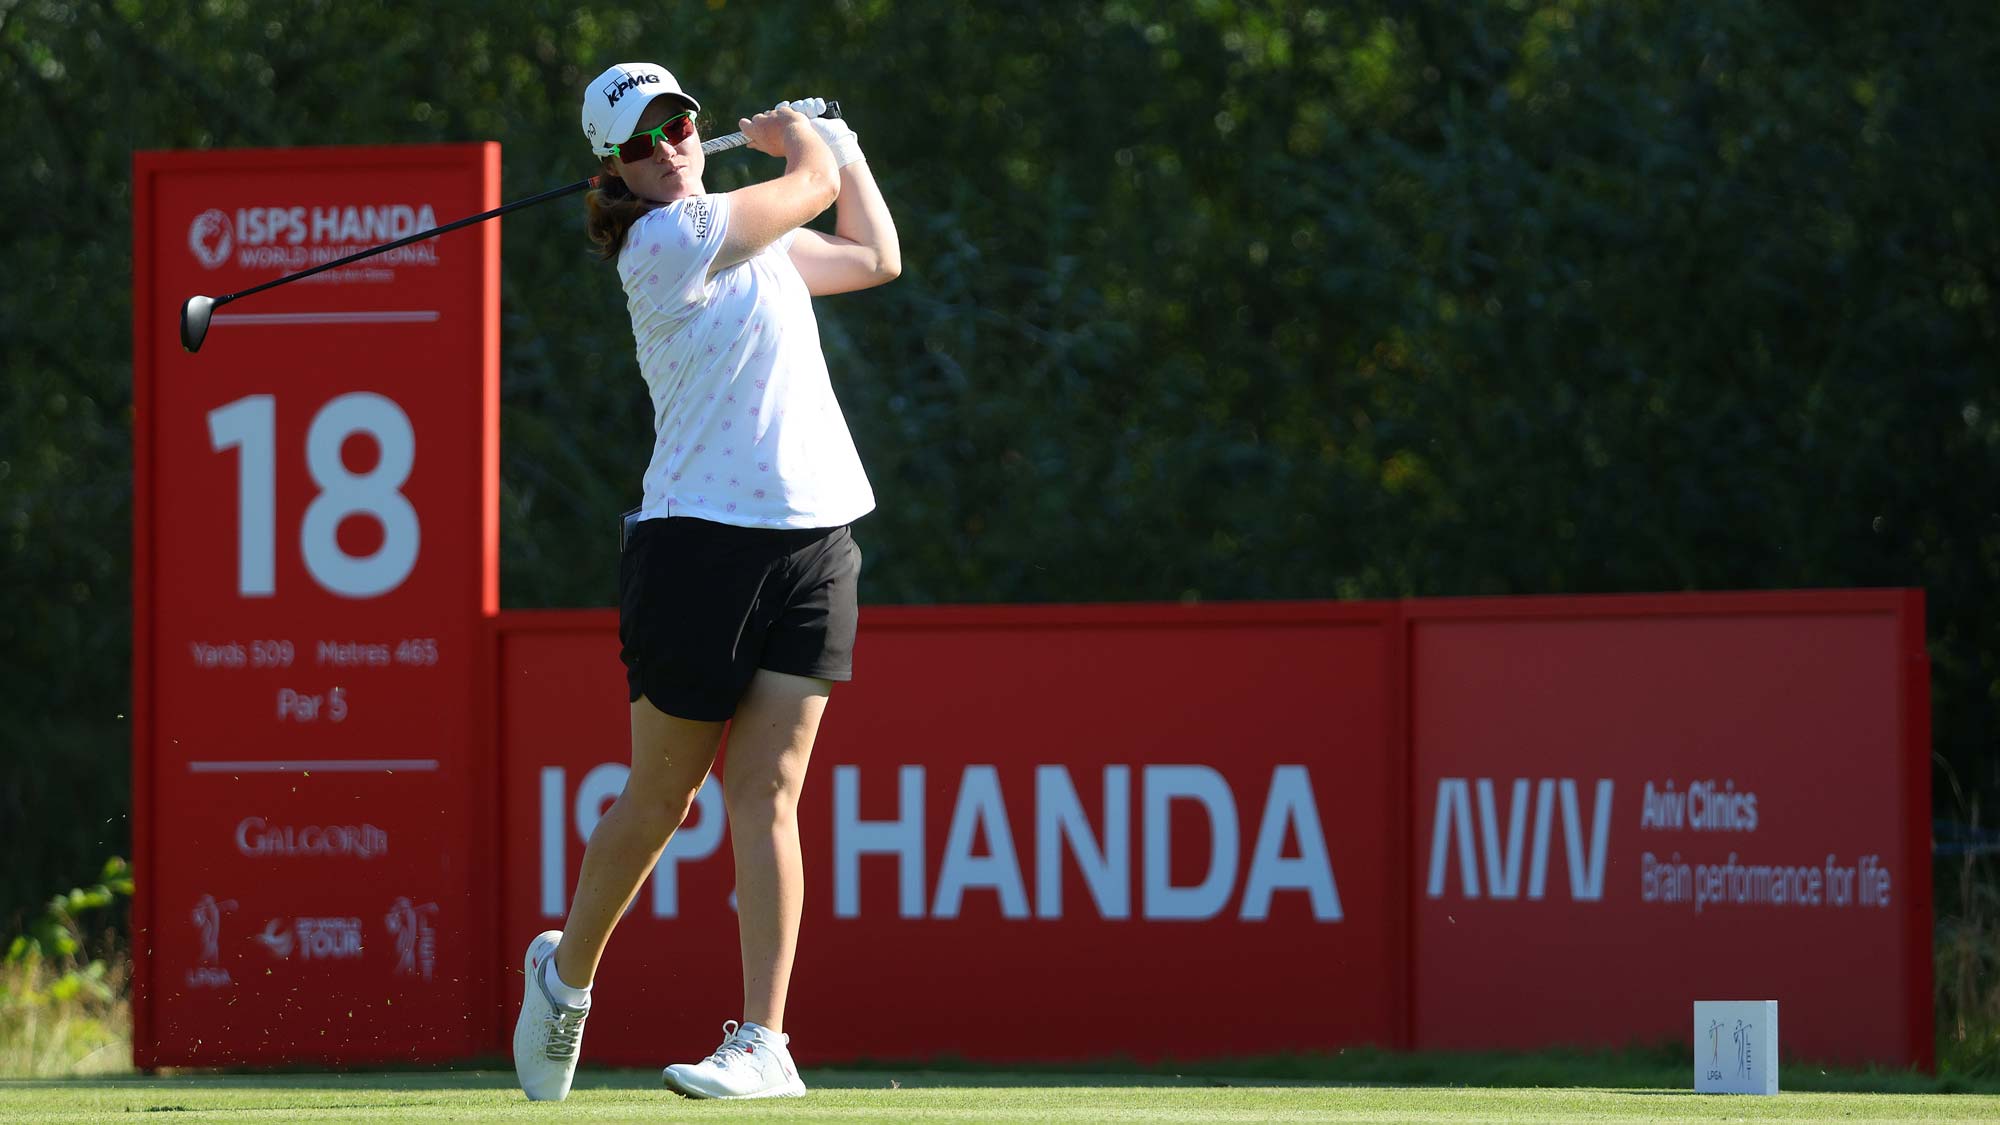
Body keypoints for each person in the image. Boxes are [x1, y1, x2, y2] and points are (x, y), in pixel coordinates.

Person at [512, 61, 900, 1103]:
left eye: (677, 123)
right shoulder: (667, 241)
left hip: (816, 535)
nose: (671, 144)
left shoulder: (747, 236)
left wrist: (842, 144)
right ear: (616, 171)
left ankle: (764, 1043)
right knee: (663, 797)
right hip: (698, 548)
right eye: (641, 142)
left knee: (766, 792)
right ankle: (566, 976)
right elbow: (807, 191)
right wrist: (799, 140)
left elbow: (872, 254)